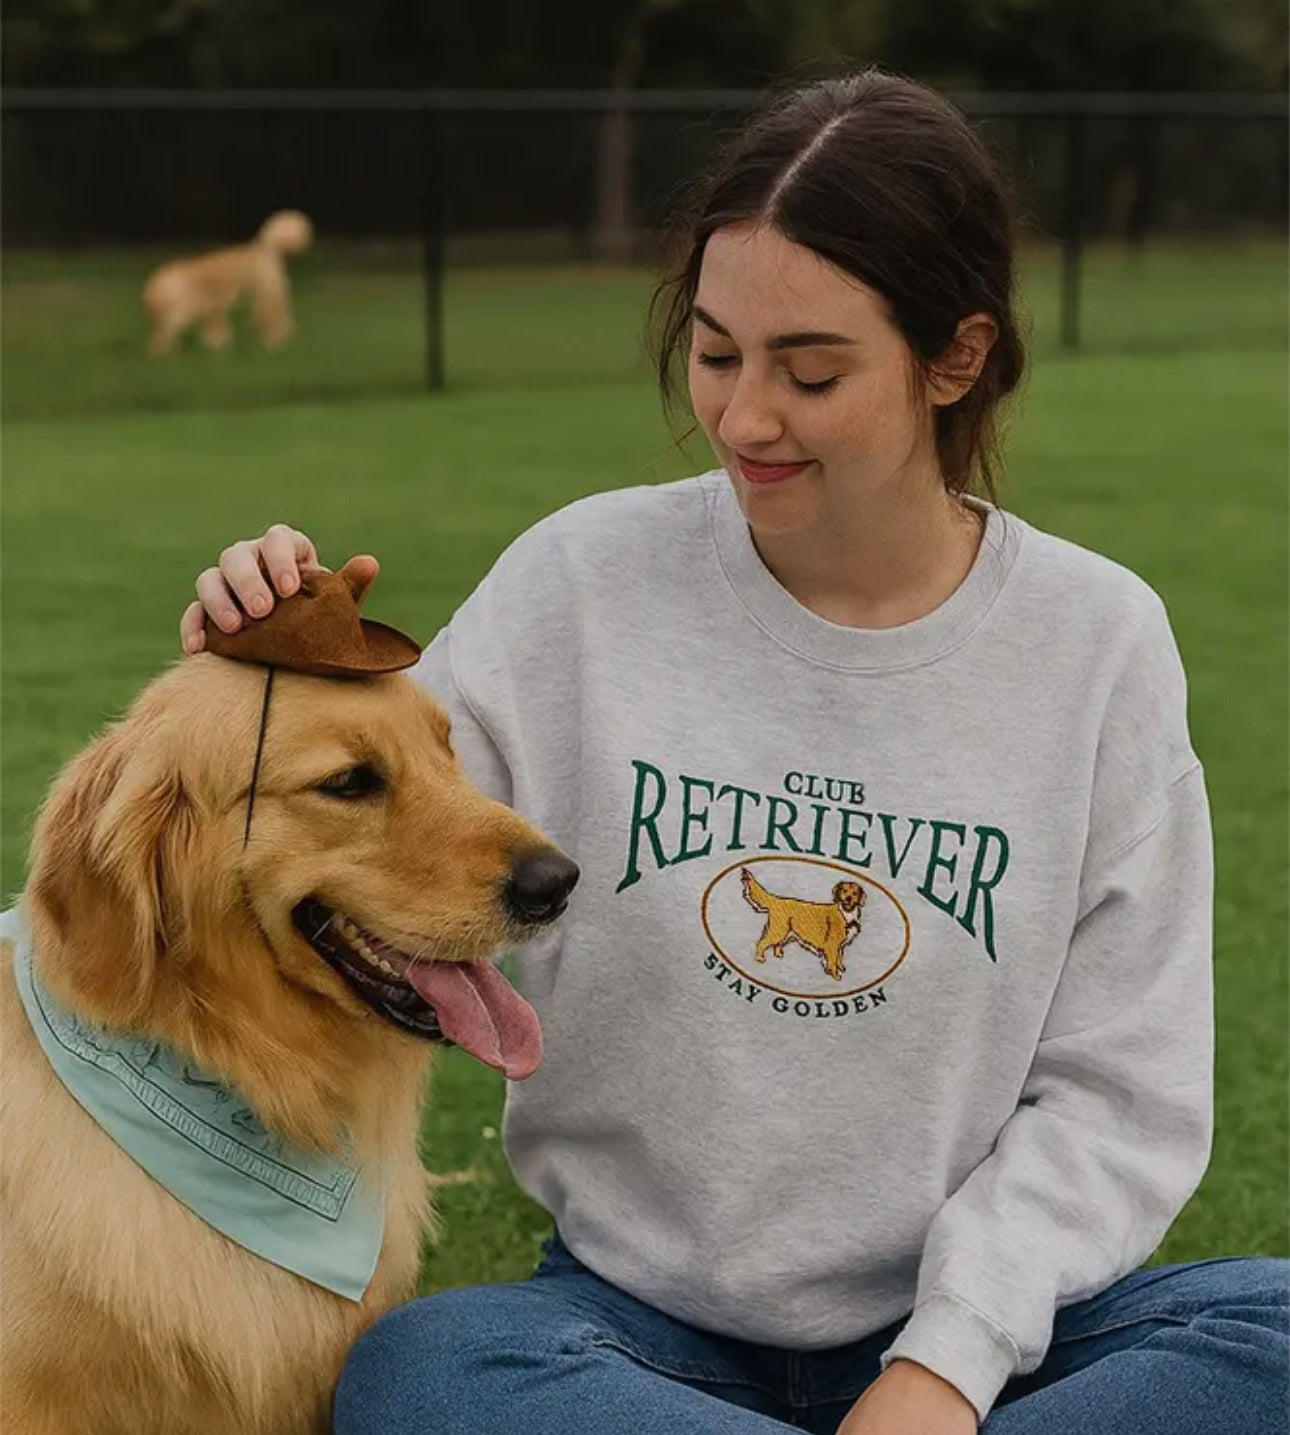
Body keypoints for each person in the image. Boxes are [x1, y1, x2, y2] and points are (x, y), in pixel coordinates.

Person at [182, 70, 1288, 1435]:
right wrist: (264, 668)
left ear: (953, 358)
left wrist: (939, 1371)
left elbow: (1121, 1092)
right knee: (427, 1375)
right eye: (715, 354)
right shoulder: (581, 582)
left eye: (809, 371)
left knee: (1269, 1334)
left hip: (995, 1347)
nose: (744, 417)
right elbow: (359, 825)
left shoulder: (1095, 642)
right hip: (627, 1333)